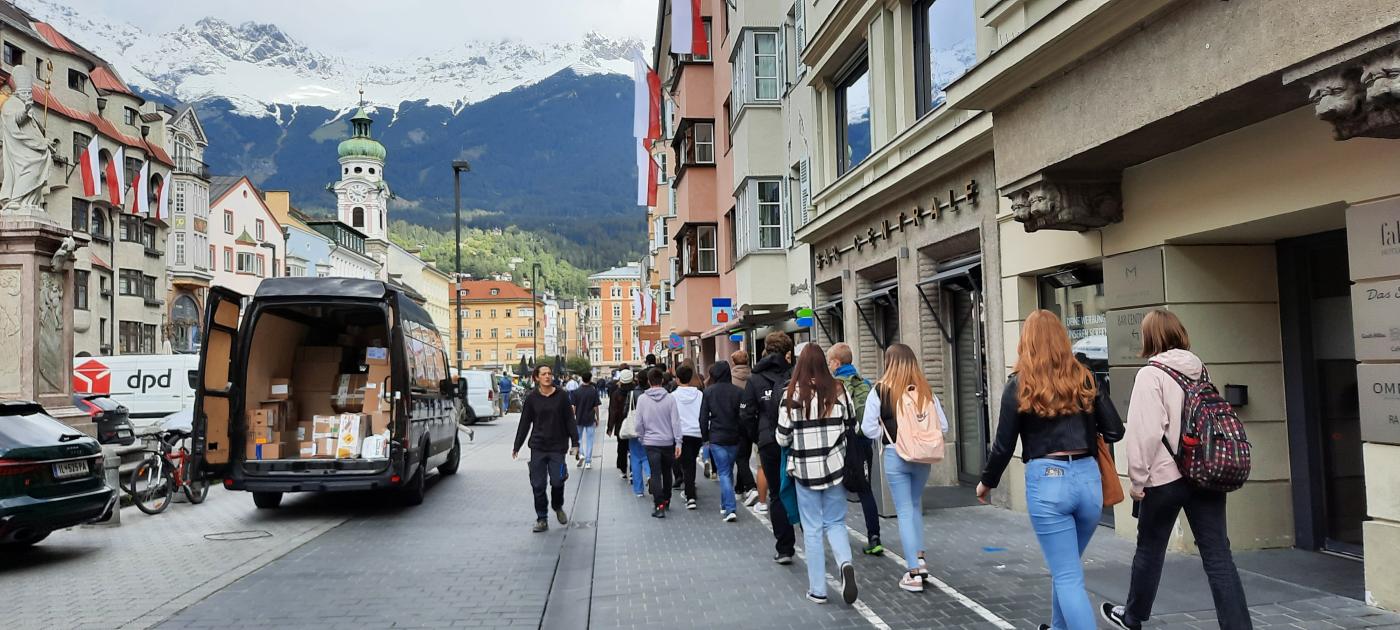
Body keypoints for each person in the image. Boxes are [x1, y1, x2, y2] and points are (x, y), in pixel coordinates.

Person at [1100, 309, 1251, 630]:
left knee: (1150, 550)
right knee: (1218, 556)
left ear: (1149, 337)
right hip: (1207, 473)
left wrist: (1137, 481)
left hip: (1166, 478)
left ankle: (1132, 617)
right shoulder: (1200, 370)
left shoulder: (1151, 375)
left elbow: (1145, 434)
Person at [978, 310, 1124, 630]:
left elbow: (1003, 445)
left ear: (1026, 342)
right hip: (1088, 480)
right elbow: (1115, 431)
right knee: (1067, 569)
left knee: (1067, 575)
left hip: (1048, 481)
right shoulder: (1086, 377)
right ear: (1062, 339)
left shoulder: (1019, 385)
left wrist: (986, 483)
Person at [861, 343, 950, 591]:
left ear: (888, 362)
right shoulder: (925, 391)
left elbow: (867, 429)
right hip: (923, 458)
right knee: (914, 507)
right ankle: (920, 559)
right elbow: (942, 427)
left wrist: (889, 433)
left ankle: (913, 572)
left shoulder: (879, 391)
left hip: (895, 455)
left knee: (904, 511)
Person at [777, 343, 859, 606]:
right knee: (835, 522)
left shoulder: (791, 394)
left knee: (812, 529)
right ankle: (845, 563)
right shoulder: (839, 391)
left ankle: (818, 590)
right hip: (835, 467)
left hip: (804, 470)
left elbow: (781, 437)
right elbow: (852, 426)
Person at [741, 332, 796, 564]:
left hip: (769, 442)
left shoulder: (755, 379)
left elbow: (745, 414)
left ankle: (784, 548)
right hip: (796, 440)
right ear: (787, 353)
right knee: (802, 490)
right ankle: (813, 541)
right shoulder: (794, 373)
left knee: (776, 494)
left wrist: (758, 436)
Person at [827, 342, 882, 556]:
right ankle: (874, 536)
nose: (829, 366)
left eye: (830, 362)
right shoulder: (865, 383)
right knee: (865, 489)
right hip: (863, 443)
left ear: (837, 362)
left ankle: (837, 538)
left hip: (841, 443)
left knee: (837, 489)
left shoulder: (834, 385)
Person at [512, 365, 579, 533]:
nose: (548, 376)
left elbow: (570, 420)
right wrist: (517, 445)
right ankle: (542, 518)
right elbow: (525, 423)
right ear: (536, 378)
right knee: (538, 485)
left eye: (549, 373)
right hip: (538, 446)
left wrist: (575, 442)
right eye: (544, 374)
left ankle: (557, 506)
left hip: (558, 447)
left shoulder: (562, 396)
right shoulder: (532, 398)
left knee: (558, 480)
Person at [634, 368, 682, 518]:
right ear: (662, 380)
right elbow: (676, 422)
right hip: (667, 442)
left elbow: (638, 423)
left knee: (655, 474)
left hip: (650, 442)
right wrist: (678, 442)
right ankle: (667, 499)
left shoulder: (642, 399)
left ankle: (659, 505)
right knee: (667, 472)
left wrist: (641, 437)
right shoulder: (670, 398)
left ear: (648, 381)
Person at [701, 361, 743, 522]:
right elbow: (742, 416)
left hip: (717, 437)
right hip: (734, 437)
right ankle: (725, 505)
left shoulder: (709, 392)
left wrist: (705, 438)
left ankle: (730, 508)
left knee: (724, 472)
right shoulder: (738, 392)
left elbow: (703, 417)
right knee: (728, 471)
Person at [670, 363, 705, 509]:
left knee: (687, 465)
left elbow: (671, 417)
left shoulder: (673, 396)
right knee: (690, 464)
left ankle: (690, 496)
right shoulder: (699, 394)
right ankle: (690, 491)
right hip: (697, 433)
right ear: (690, 379)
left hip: (681, 434)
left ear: (677, 379)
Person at [607, 369, 638, 481]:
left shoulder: (616, 394)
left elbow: (613, 411)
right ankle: (634, 470)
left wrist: (610, 427)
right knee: (634, 448)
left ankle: (623, 469)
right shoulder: (636, 392)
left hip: (621, 425)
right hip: (635, 424)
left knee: (621, 448)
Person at [572, 373, 601, 469]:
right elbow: (596, 406)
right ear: (590, 379)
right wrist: (597, 417)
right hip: (590, 418)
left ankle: (581, 454)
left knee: (578, 438)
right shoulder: (593, 391)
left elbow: (574, 407)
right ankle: (588, 461)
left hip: (579, 418)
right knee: (590, 440)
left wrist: (573, 417)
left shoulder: (576, 392)